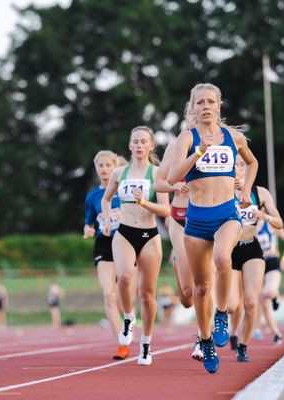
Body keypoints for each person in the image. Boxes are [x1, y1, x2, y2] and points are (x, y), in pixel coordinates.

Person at [167, 83, 258, 373]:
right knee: (201, 288)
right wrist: (197, 154)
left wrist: (246, 190)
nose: (206, 107)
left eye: (210, 102)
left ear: (219, 105)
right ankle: (205, 340)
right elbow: (171, 177)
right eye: (200, 103)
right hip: (196, 220)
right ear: (192, 108)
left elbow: (252, 162)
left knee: (222, 259)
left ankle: (222, 315)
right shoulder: (186, 138)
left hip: (226, 214)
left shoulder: (234, 137)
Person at [102, 125, 170, 366]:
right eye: (135, 141)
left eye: (144, 141)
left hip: (150, 235)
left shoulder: (157, 172)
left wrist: (145, 202)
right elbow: (106, 197)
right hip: (125, 231)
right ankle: (129, 318)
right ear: (130, 146)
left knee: (148, 296)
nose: (139, 145)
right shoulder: (119, 172)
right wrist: (108, 219)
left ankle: (146, 344)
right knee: (125, 276)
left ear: (151, 145)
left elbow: (166, 210)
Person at [154, 134, 206, 361]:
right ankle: (177, 263)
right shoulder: (176, 146)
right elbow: (159, 182)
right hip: (179, 217)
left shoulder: (220, 143)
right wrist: (175, 186)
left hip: (207, 217)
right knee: (186, 296)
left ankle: (203, 340)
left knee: (204, 283)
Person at [227, 155, 283, 362]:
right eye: (234, 164)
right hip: (229, 250)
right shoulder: (221, 191)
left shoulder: (260, 193)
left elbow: (279, 222)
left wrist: (265, 216)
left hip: (251, 248)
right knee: (233, 304)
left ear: (249, 168)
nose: (238, 169)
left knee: (251, 302)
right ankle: (228, 328)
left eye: (242, 165)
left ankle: (243, 345)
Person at [84, 149, 137, 360]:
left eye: (108, 165)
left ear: (116, 166)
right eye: (101, 166)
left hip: (126, 241)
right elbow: (88, 222)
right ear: (97, 168)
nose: (104, 169)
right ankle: (121, 343)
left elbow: (139, 213)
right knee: (108, 294)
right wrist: (87, 229)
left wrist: (122, 214)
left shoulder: (125, 189)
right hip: (104, 244)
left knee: (127, 297)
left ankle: (129, 319)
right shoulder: (93, 196)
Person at [256, 221, 284, 344]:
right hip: (256, 264)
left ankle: (275, 295)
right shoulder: (248, 225)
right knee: (263, 302)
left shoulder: (269, 223)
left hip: (272, 261)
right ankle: (276, 333)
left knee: (269, 292)